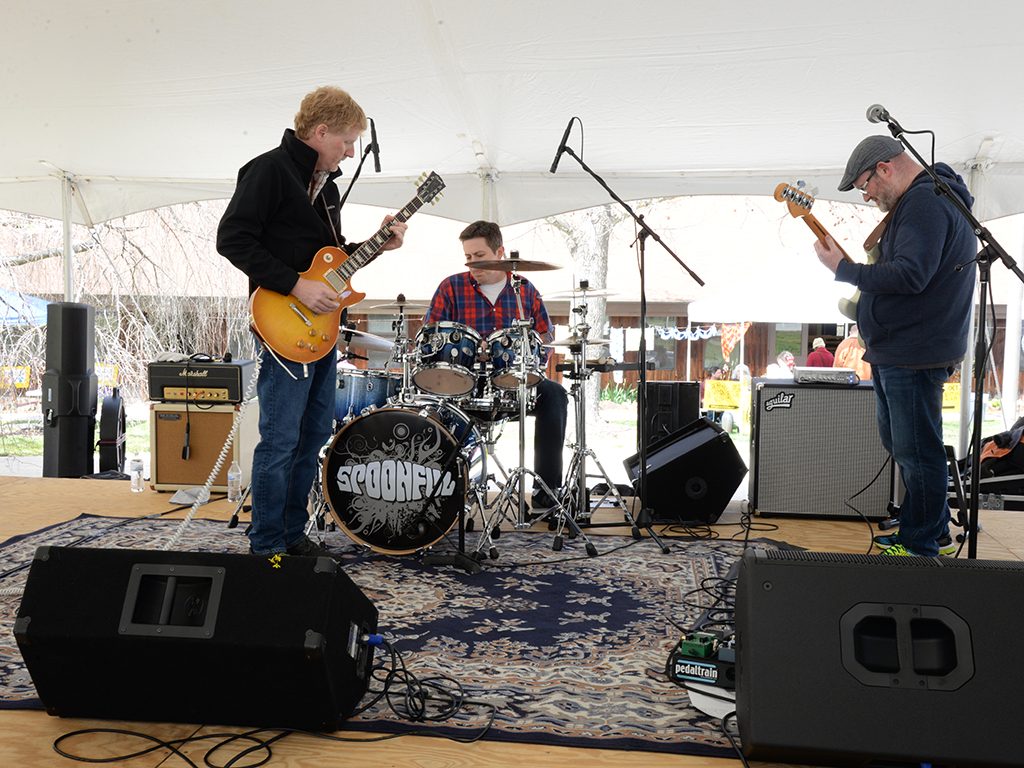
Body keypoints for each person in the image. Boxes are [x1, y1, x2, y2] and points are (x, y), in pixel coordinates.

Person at [217, 86, 407, 558]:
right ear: (320, 132)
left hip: (321, 330)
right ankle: (266, 546)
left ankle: (291, 534)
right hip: (282, 324)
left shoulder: (328, 189)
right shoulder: (269, 171)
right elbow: (232, 239)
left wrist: (377, 245)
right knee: (281, 439)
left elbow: (331, 261)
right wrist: (295, 286)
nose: (351, 152)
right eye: (347, 141)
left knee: (313, 435)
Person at [814, 135, 976, 557]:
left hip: (914, 351)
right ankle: (930, 530)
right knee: (908, 448)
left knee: (917, 452)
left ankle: (920, 545)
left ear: (884, 168)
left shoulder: (924, 202)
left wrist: (844, 269)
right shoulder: (923, 201)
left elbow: (910, 275)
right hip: (905, 349)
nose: (867, 196)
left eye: (865, 186)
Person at [424, 221, 569, 509]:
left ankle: (546, 491)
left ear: (500, 252)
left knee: (555, 395)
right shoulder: (450, 287)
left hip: (513, 381)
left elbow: (545, 338)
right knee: (433, 406)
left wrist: (531, 361)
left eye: (479, 256)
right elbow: (430, 338)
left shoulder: (524, 290)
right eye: (468, 257)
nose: (472, 264)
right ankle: (443, 493)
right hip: (463, 383)